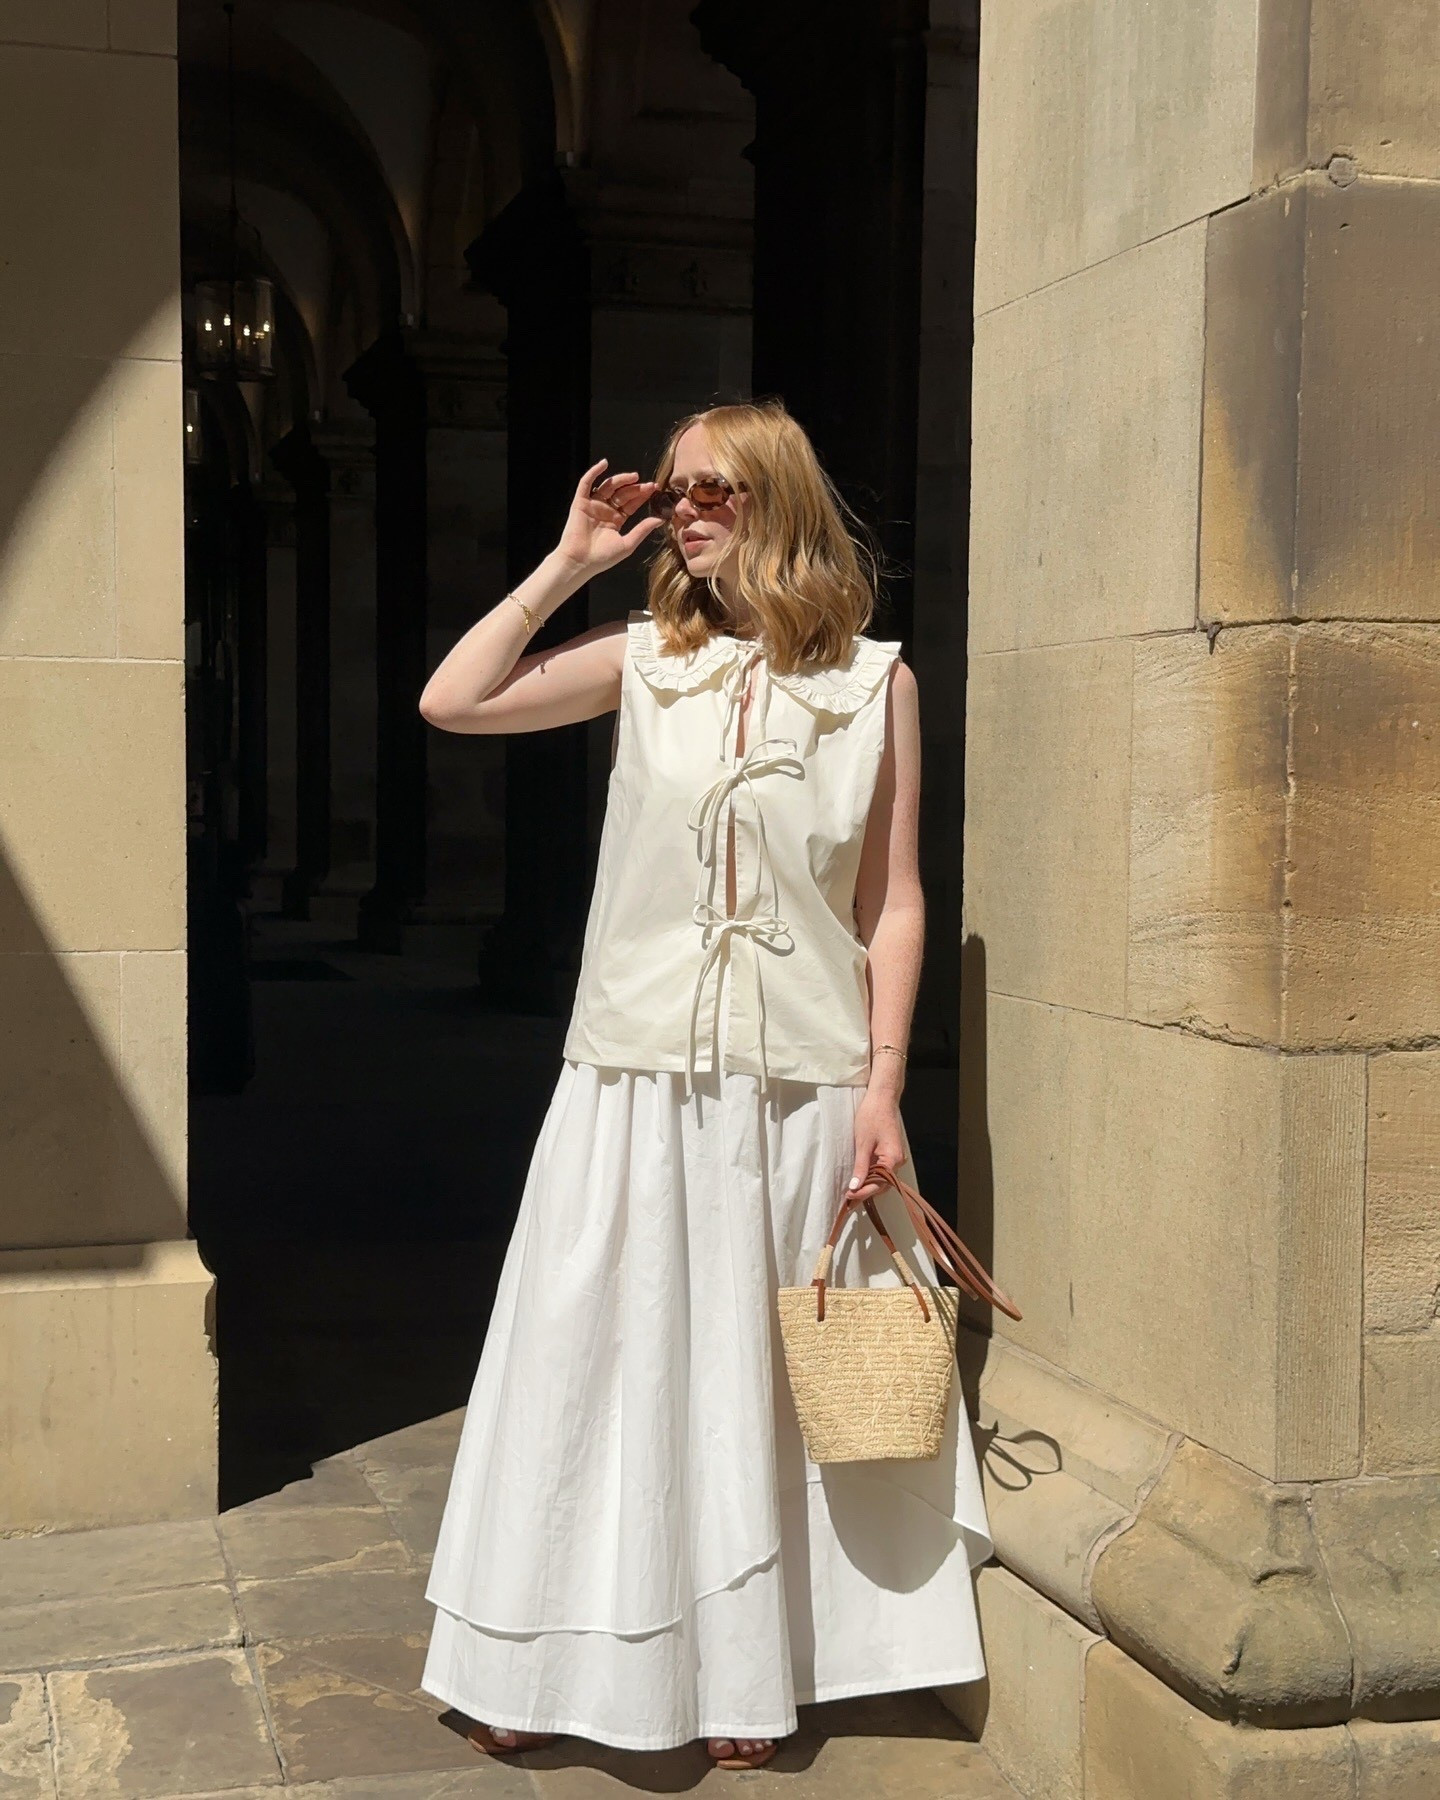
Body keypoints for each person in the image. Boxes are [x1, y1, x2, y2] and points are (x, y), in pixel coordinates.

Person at [415, 399, 991, 1771]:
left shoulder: (875, 687)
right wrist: (568, 562)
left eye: (713, 488)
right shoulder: (644, 664)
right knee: (588, 1365)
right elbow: (454, 700)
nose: (684, 508)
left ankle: (753, 1666)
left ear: (779, 494)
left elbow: (893, 901)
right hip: (629, 1078)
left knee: (752, 1384)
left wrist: (885, 1084)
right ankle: (535, 1654)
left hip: (796, 1087)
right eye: (673, 490)